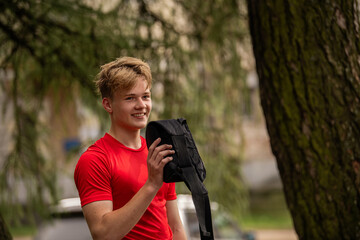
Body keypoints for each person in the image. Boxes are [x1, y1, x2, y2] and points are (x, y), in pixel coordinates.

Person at [74, 57, 187, 240]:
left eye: (145, 96)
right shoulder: (95, 160)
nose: (141, 105)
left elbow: (175, 227)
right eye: (130, 98)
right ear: (108, 104)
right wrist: (151, 184)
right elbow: (103, 233)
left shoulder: (157, 151)